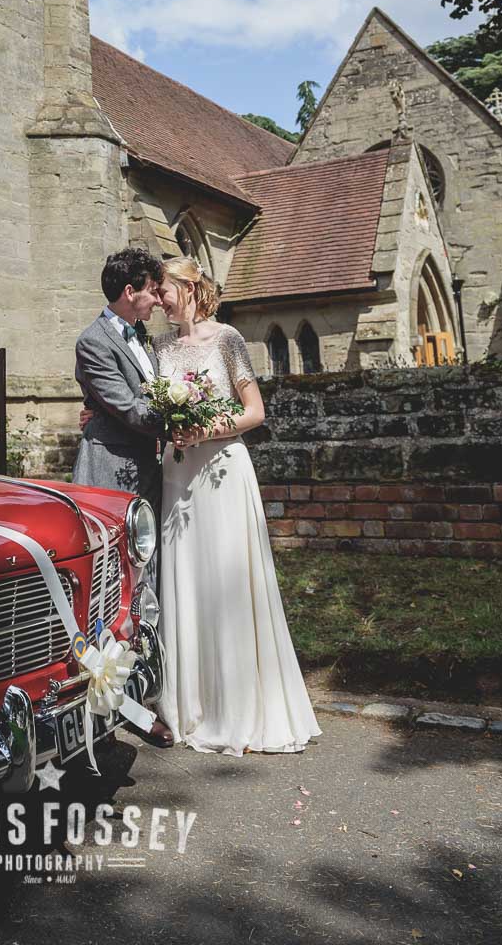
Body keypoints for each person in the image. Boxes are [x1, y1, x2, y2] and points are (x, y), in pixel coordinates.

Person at [155, 255, 321, 756]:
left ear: (187, 288)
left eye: (164, 290)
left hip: (222, 471)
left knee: (227, 579)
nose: (160, 300)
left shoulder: (227, 339)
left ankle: (240, 707)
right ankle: (188, 705)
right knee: (185, 579)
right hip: (177, 472)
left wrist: (206, 428)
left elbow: (255, 412)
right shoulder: (159, 346)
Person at [72, 246, 174, 746]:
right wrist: (187, 416)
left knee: (148, 576)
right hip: (111, 474)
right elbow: (128, 408)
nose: (157, 299)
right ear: (129, 291)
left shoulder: (143, 338)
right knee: (114, 584)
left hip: (147, 469)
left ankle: (146, 691)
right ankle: (116, 703)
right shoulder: (92, 342)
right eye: (151, 291)